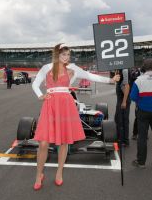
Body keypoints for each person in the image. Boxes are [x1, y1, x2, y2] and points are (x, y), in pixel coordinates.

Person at [32, 43, 120, 190]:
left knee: (64, 141)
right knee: (43, 143)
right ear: (57, 55)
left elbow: (91, 76)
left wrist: (111, 80)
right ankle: (38, 174)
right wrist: (40, 95)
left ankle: (59, 171)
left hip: (66, 104)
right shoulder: (47, 67)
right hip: (50, 105)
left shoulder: (73, 68)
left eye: (68, 55)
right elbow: (35, 83)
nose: (67, 57)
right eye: (64, 54)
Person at [130, 58, 152, 168]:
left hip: (143, 111)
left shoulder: (139, 80)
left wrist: (141, 100)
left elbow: (133, 97)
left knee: (142, 137)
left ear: (144, 67)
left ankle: (141, 162)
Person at [114, 69, 131, 146]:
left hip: (123, 99)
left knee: (122, 120)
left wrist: (124, 101)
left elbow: (126, 86)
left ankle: (122, 141)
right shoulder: (120, 69)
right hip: (121, 99)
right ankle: (122, 140)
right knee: (119, 119)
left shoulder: (124, 70)